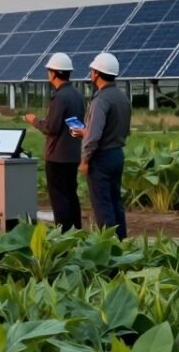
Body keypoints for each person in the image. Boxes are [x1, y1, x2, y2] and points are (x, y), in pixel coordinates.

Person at [24, 53, 86, 231]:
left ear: (52, 73)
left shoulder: (60, 97)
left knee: (59, 199)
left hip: (57, 156)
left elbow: (51, 127)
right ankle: (76, 231)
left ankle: (63, 233)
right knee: (71, 195)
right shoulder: (77, 95)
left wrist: (34, 120)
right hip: (73, 154)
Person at [77, 52, 132, 239]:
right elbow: (119, 129)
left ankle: (109, 246)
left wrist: (85, 160)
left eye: (92, 71)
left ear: (97, 74)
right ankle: (122, 242)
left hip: (101, 158)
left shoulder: (101, 100)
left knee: (102, 205)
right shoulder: (122, 97)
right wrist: (86, 132)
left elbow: (94, 137)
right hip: (117, 154)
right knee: (116, 201)